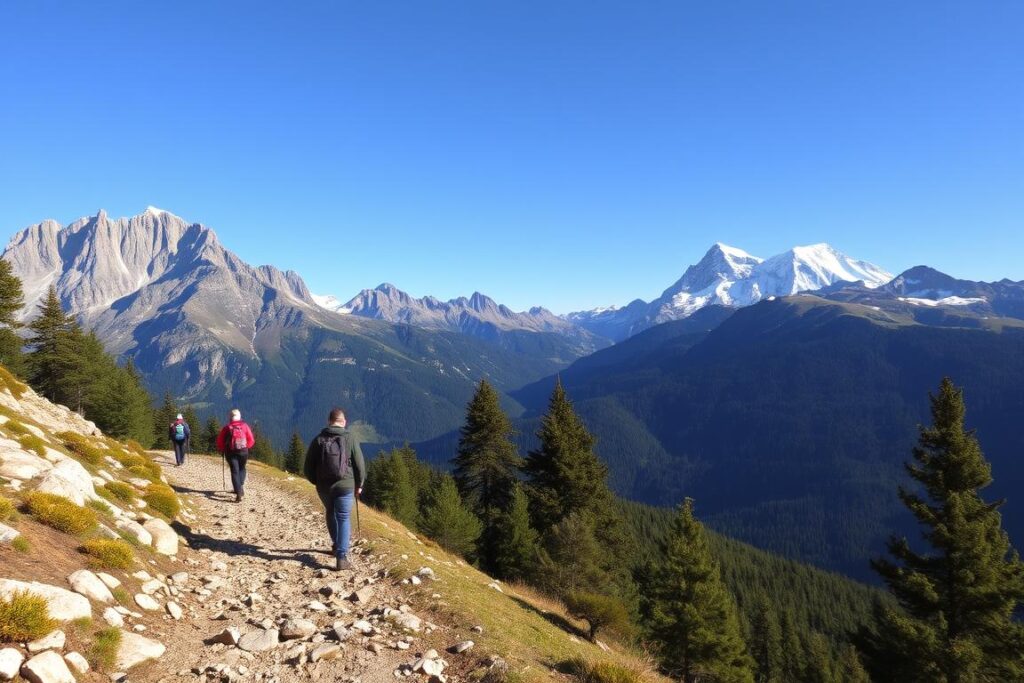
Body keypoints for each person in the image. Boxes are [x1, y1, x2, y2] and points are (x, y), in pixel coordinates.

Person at [303, 407, 365, 571]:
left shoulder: (319, 439)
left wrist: (316, 481)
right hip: (345, 485)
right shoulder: (350, 438)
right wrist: (360, 484)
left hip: (324, 487)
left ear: (329, 422)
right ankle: (342, 557)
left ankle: (336, 545)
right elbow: (359, 465)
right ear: (343, 422)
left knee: (331, 512)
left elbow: (307, 467)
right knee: (343, 517)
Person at [216, 408, 255, 503]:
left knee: (234, 471)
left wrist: (223, 449)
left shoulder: (227, 427)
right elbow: (251, 440)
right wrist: (246, 447)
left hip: (231, 452)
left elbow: (220, 441)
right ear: (239, 417)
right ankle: (240, 486)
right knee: (242, 468)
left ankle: (238, 492)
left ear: (230, 417)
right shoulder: (245, 426)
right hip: (243, 451)